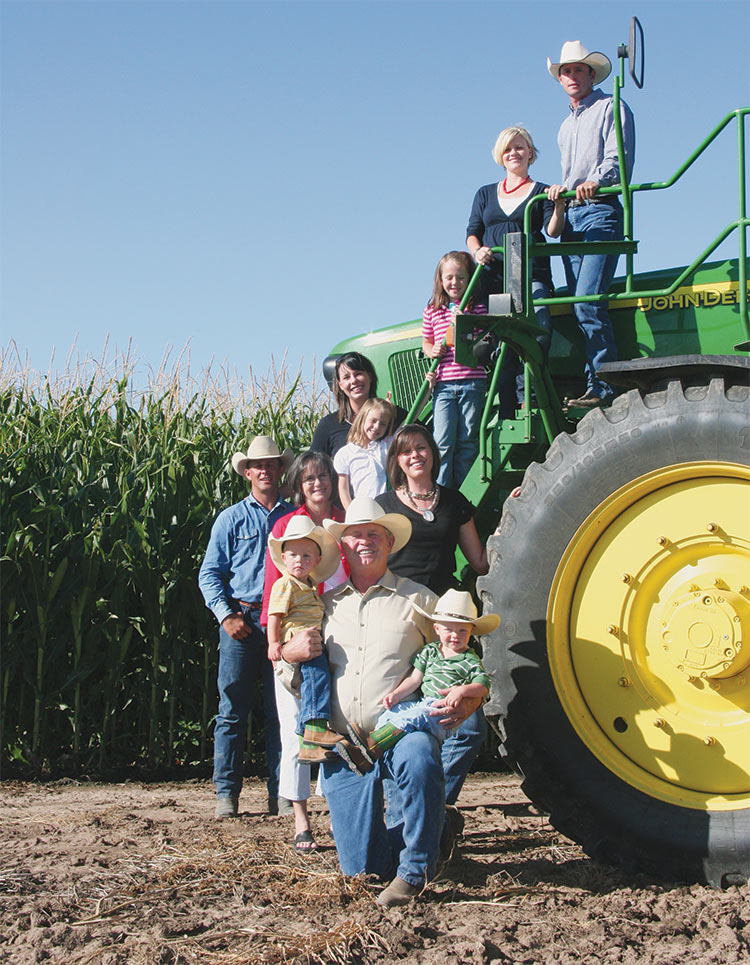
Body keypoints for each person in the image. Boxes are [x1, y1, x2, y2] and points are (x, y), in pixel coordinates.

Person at [278, 498, 484, 907]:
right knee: (363, 871)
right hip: (344, 746)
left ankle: (414, 873)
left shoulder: (421, 601)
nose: (365, 541)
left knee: (421, 754)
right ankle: (436, 830)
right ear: (343, 544)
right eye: (356, 534)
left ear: (390, 542)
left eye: (375, 534)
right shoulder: (322, 606)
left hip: (398, 732)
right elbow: (294, 674)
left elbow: (464, 660)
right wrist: (288, 655)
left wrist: (466, 703)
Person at [376, 424, 490, 808]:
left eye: (421, 448)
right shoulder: (383, 506)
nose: (415, 456)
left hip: (444, 625)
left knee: (464, 721)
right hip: (399, 618)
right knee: (399, 712)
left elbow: (480, 561)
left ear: (432, 453)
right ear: (397, 461)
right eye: (406, 451)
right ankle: (403, 806)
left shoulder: (454, 502)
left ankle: (433, 800)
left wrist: (522, 507)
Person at [198, 435, 292, 819]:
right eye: (259, 465)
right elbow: (210, 574)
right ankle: (227, 795)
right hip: (241, 619)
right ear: (248, 473)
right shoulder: (231, 519)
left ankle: (281, 794)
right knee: (232, 710)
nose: (266, 470)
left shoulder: (293, 520)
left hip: (281, 625)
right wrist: (227, 615)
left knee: (280, 712)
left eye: (272, 464)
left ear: (281, 470)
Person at [260, 450, 349, 850]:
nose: (317, 483)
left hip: (339, 633)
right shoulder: (285, 526)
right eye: (309, 478)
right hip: (297, 636)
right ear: (298, 484)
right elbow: (272, 593)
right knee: (296, 729)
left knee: (333, 727)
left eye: (324, 476)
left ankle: (341, 812)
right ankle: (300, 820)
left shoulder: (344, 522)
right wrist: (278, 646)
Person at [545, 40, 636, 408]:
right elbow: (570, 174)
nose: (571, 76)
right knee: (578, 305)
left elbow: (618, 157)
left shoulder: (611, 106)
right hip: (572, 218)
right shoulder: (565, 126)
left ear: (591, 73)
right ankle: (593, 382)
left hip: (599, 209)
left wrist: (596, 180)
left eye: (577, 69)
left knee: (587, 302)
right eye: (566, 71)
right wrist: (560, 193)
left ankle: (604, 386)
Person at [334, 590, 498, 774]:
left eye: (462, 631)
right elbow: (414, 679)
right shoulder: (430, 652)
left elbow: (483, 685)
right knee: (393, 713)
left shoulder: (469, 659)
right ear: (437, 629)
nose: (455, 636)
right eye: (449, 630)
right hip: (424, 703)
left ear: (471, 631)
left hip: (443, 713)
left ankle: (373, 746)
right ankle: (368, 749)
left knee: (415, 716)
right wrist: (396, 694)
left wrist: (461, 691)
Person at [466, 126, 563, 414]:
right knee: (500, 341)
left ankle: (530, 396)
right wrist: (477, 250)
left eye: (520, 147)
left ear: (531, 153)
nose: (514, 153)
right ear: (500, 155)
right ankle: (506, 406)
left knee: (538, 333)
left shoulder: (542, 191)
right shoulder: (485, 194)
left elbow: (552, 230)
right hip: (495, 277)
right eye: (508, 149)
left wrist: (558, 206)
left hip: (530, 274)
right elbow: (473, 232)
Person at [421, 251, 488, 489]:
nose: (454, 282)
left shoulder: (477, 308)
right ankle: (441, 491)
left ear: (469, 279)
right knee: (443, 441)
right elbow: (426, 342)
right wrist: (432, 351)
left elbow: (483, 342)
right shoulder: (433, 310)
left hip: (472, 381)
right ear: (440, 280)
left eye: (460, 277)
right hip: (444, 384)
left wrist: (465, 323)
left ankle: (463, 493)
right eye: (449, 277)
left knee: (467, 441)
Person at [311, 352, 409, 461]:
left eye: (358, 374)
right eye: (346, 377)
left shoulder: (395, 415)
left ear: (370, 376)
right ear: (340, 385)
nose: (353, 380)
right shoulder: (329, 425)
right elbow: (313, 465)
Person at [333, 397, 396, 507]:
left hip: (387, 508)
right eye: (373, 421)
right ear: (362, 418)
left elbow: (410, 418)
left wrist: (428, 389)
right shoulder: (346, 453)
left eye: (383, 424)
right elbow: (343, 489)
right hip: (363, 509)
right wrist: (350, 512)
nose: (377, 427)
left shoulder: (385, 446)